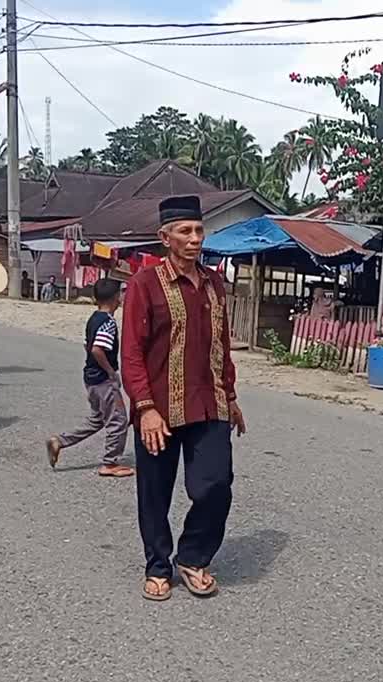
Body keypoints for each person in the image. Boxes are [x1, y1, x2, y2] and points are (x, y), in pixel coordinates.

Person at [121, 195, 246, 602]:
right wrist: (145, 407)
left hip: (209, 404)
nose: (194, 239)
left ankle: (192, 557)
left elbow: (221, 346)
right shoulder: (144, 284)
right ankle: (158, 565)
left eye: (198, 230)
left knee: (215, 485)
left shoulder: (214, 284)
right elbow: (132, 352)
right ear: (165, 237)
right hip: (157, 408)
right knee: (154, 492)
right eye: (184, 232)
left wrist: (231, 396)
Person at [45, 278, 134, 478]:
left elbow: (88, 345)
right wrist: (111, 372)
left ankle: (59, 441)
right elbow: (97, 349)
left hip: (91, 378)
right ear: (116, 298)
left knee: (97, 420)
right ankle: (110, 463)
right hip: (103, 380)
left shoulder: (94, 318)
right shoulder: (108, 322)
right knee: (118, 420)